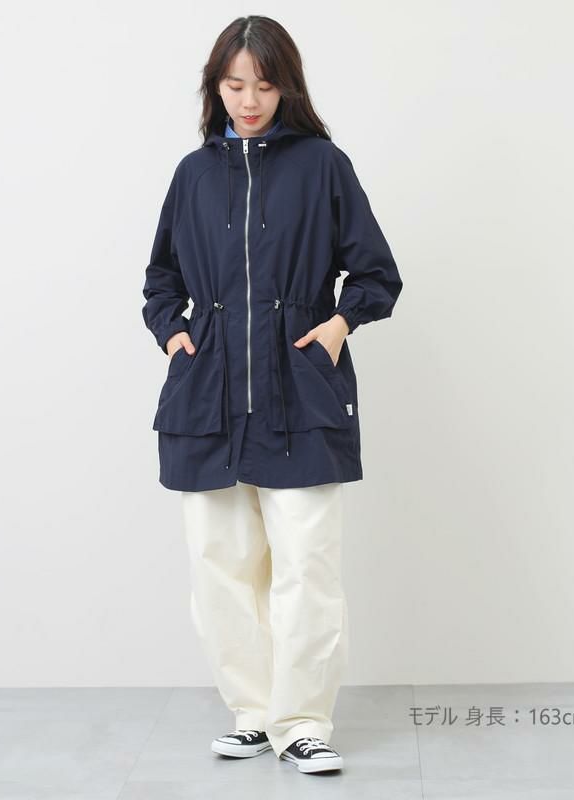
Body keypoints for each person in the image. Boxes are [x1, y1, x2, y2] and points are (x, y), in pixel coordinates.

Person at [141, 15, 403, 774]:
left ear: (286, 87)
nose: (249, 101)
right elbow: (161, 279)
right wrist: (174, 334)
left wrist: (338, 326)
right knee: (220, 568)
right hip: (208, 396)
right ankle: (253, 714)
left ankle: (303, 721)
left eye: (263, 85)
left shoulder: (323, 166)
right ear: (215, 88)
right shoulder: (194, 174)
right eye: (234, 86)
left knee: (306, 568)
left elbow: (376, 272)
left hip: (301, 394)